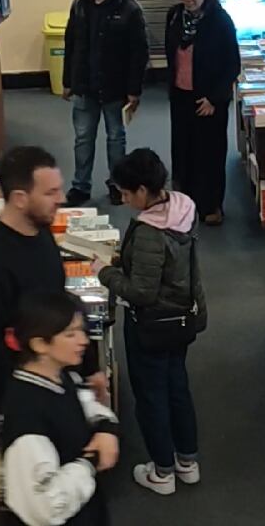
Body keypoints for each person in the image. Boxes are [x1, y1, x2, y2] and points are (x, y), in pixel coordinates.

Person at [98, 149, 206, 495]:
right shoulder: (183, 209)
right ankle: (187, 461)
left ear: (143, 190)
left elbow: (141, 292)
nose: (125, 200)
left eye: (127, 194)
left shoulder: (148, 231)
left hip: (151, 323)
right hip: (182, 317)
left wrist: (106, 272)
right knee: (177, 386)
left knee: (151, 395)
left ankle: (162, 471)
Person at [0, 146, 105, 412]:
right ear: (20, 198)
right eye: (50, 193)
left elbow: (62, 305)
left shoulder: (40, 231)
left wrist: (90, 368)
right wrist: (13, 415)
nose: (61, 198)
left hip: (59, 380)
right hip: (28, 400)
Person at [1, 291, 120, 526]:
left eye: (82, 331)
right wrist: (90, 462)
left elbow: (85, 404)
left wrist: (106, 427)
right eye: (70, 334)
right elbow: (45, 506)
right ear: (39, 344)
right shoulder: (26, 416)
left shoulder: (61, 376)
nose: (84, 340)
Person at [62, 0, 149, 207]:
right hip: (85, 86)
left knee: (115, 138)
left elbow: (138, 53)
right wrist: (67, 80)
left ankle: (117, 185)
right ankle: (80, 186)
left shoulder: (129, 8)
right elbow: (71, 45)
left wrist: (134, 90)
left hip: (116, 86)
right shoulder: (78, 5)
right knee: (83, 138)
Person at [165, 0, 240, 225]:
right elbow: (171, 55)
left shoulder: (220, 21)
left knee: (210, 153)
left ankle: (211, 205)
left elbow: (232, 65)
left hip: (209, 99)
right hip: (181, 96)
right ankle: (185, 203)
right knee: (183, 150)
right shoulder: (175, 16)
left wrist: (215, 99)